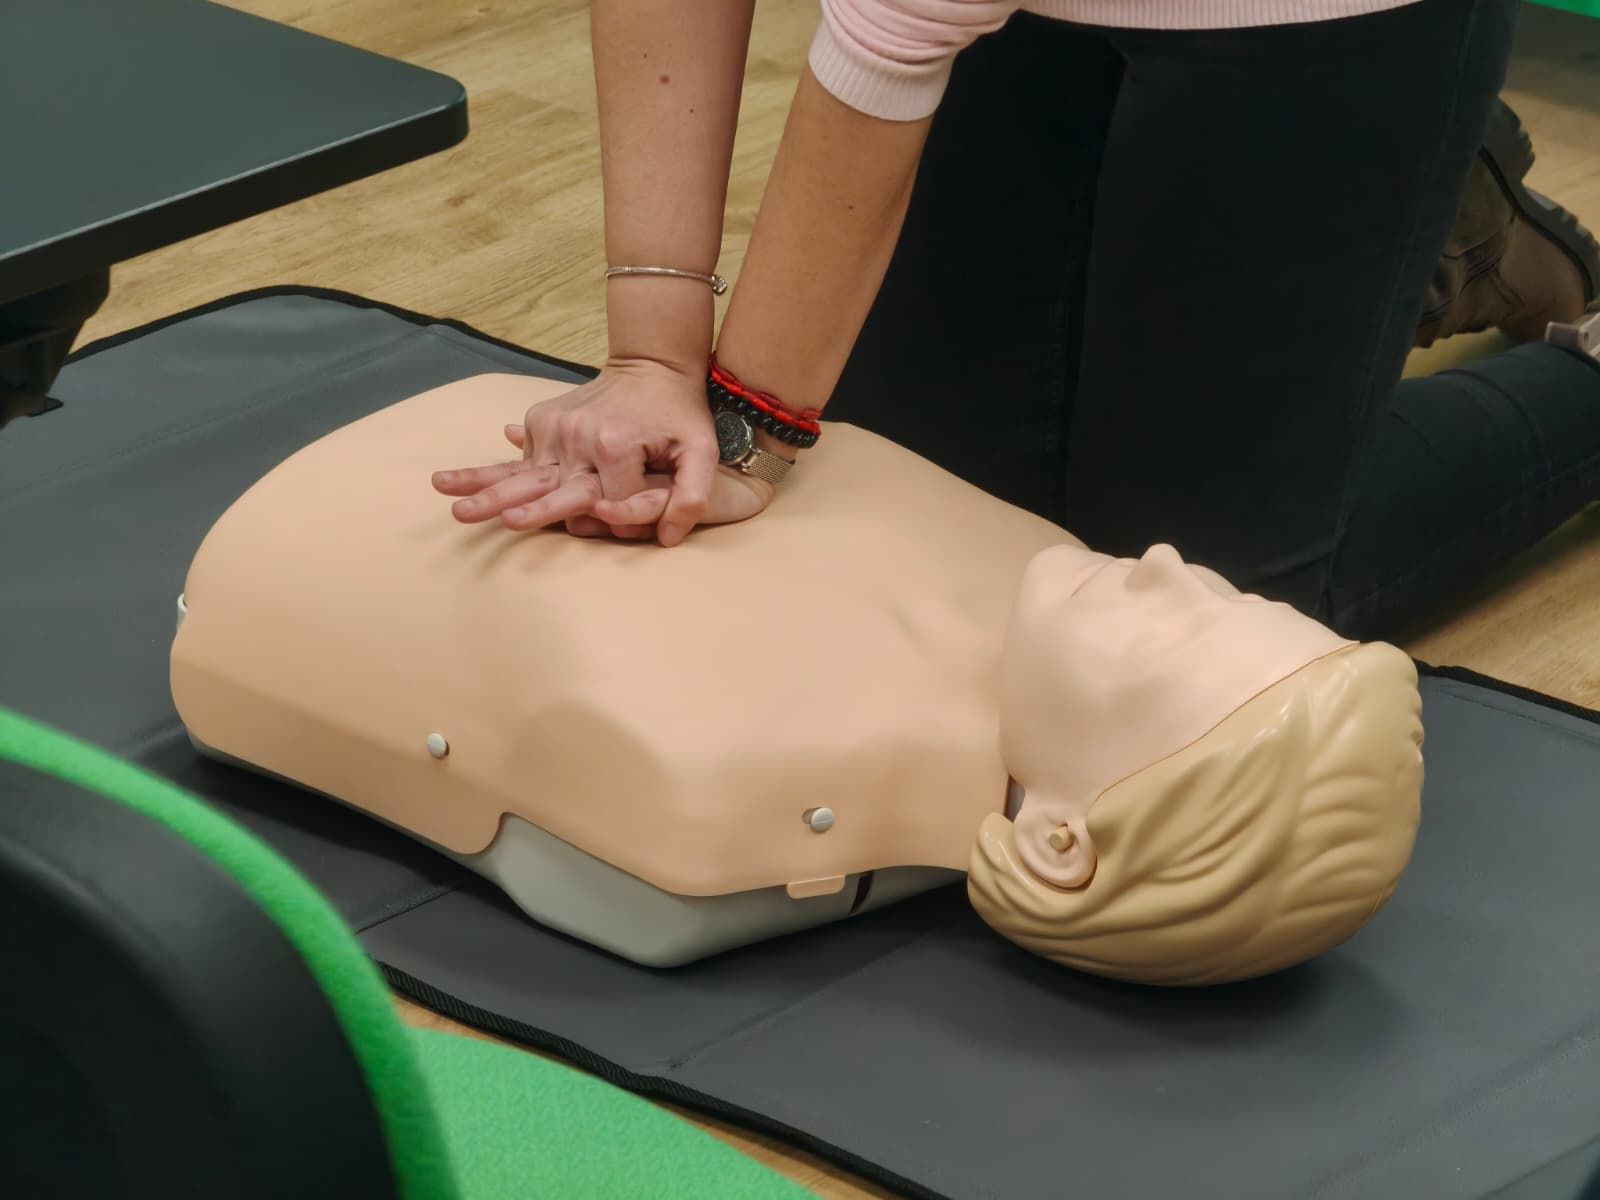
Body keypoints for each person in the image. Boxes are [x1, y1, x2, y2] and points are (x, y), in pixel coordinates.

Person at [432, 0, 1600, 641]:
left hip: (1326, 23)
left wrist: (747, 420)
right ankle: (1423, 227)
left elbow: (889, 35)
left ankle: (1503, 292)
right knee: (936, 528)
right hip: (1020, 19)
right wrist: (648, 351)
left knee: (1188, 606)